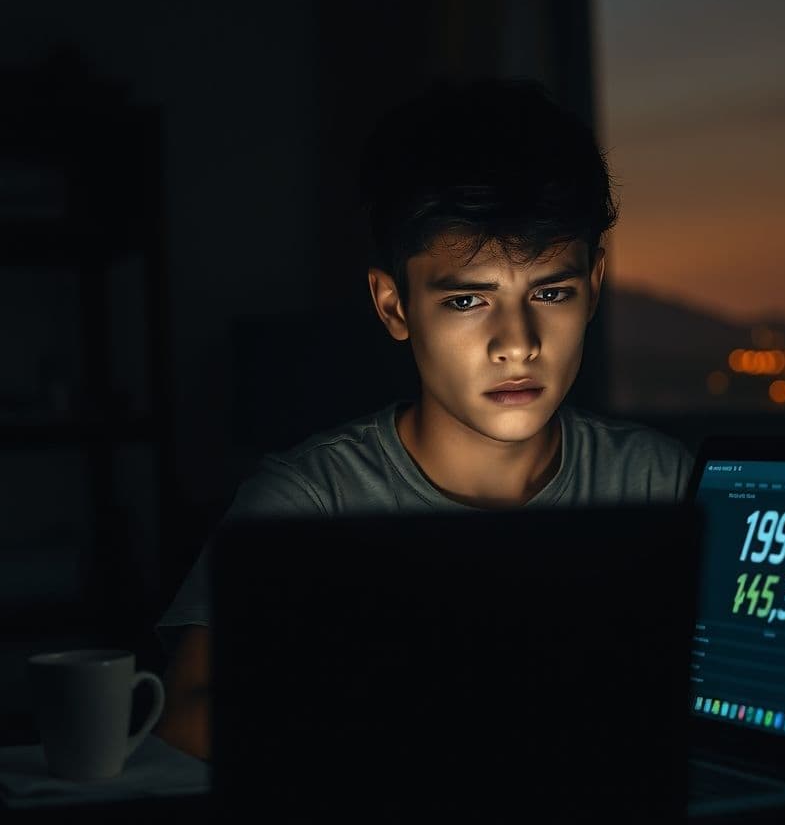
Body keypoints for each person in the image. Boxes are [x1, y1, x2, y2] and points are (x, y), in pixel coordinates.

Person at [154, 76, 695, 761]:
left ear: (593, 287)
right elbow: (181, 719)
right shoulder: (310, 503)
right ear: (394, 306)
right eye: (469, 302)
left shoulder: (659, 483)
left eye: (550, 291)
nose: (518, 342)